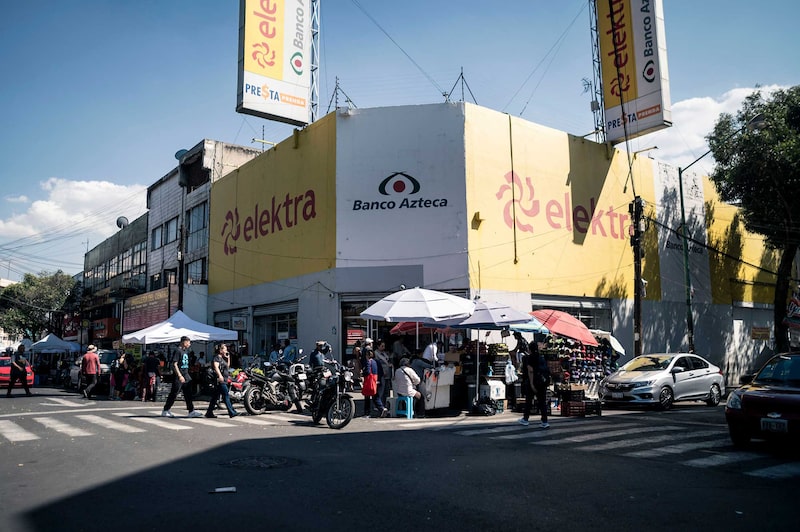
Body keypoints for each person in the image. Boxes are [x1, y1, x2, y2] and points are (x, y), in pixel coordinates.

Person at [162, 336, 204, 418]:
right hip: (179, 374)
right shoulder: (177, 351)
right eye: (188, 342)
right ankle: (166, 410)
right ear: (183, 342)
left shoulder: (186, 351)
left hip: (186, 374)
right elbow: (174, 364)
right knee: (174, 393)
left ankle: (191, 411)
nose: (189, 344)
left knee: (188, 393)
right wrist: (179, 375)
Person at [518, 341, 550, 429]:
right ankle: (545, 421)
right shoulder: (541, 357)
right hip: (542, 382)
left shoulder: (530, 358)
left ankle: (525, 419)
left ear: (530, 349)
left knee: (529, 401)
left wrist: (532, 384)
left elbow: (530, 371)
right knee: (542, 402)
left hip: (534, 382)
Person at [205, 343, 240, 418]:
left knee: (215, 397)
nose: (226, 351)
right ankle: (232, 412)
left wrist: (228, 358)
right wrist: (220, 375)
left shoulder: (222, 358)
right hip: (220, 380)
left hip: (224, 379)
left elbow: (227, 366)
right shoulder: (216, 358)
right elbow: (216, 367)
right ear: (220, 350)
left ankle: (209, 412)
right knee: (226, 395)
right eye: (225, 349)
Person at [361, 349, 385, 417]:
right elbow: (381, 371)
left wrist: (363, 373)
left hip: (369, 381)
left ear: (367, 355)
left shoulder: (368, 362)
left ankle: (367, 413)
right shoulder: (376, 361)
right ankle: (381, 408)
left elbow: (368, 371)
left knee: (367, 397)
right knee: (375, 396)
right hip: (376, 380)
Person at [374, 340, 392, 411]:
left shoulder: (384, 353)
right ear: (378, 346)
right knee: (381, 390)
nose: (383, 347)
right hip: (381, 374)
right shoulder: (376, 354)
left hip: (388, 373)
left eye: (384, 346)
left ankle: (386, 405)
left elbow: (387, 360)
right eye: (382, 346)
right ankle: (379, 406)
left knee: (387, 390)